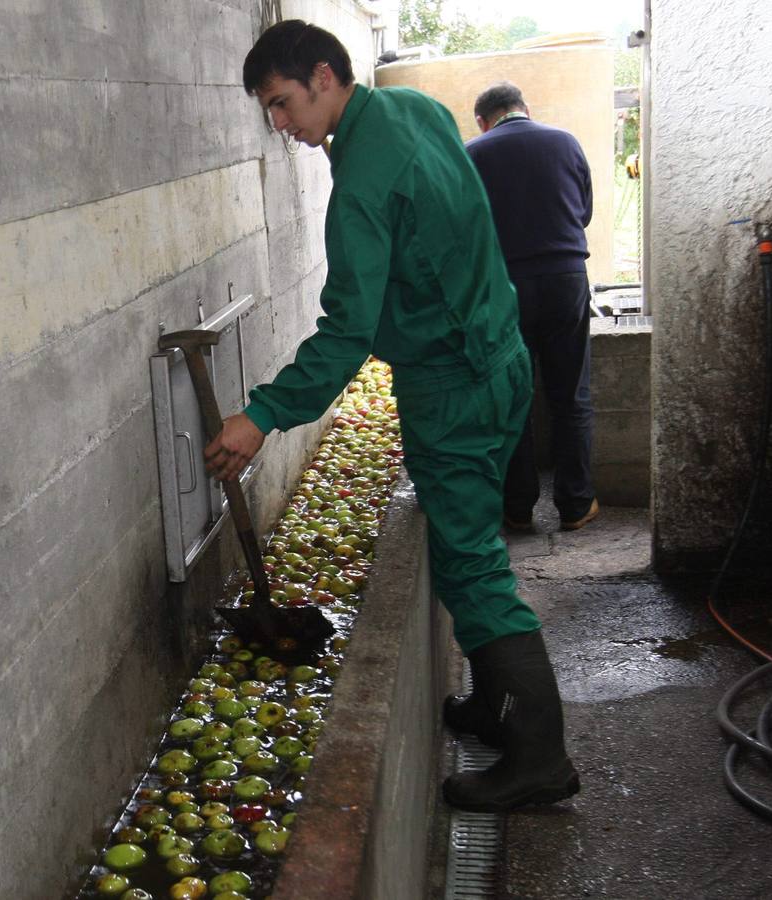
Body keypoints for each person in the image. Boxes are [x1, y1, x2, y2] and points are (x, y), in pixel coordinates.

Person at [203, 20, 579, 813]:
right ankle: (489, 706)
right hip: (497, 350)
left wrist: (261, 415)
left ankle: (540, 755)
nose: (280, 126)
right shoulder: (414, 112)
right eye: (269, 112)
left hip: (454, 385)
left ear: (323, 77)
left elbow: (345, 332)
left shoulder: (362, 184)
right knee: (460, 545)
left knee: (474, 565)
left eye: (281, 104)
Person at [464, 81, 598, 534]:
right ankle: (576, 505)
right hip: (566, 279)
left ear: (483, 120)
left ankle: (517, 508)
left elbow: (467, 227)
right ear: (524, 108)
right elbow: (583, 213)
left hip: (505, 289)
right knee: (570, 395)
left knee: (512, 399)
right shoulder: (565, 141)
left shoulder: (474, 153)